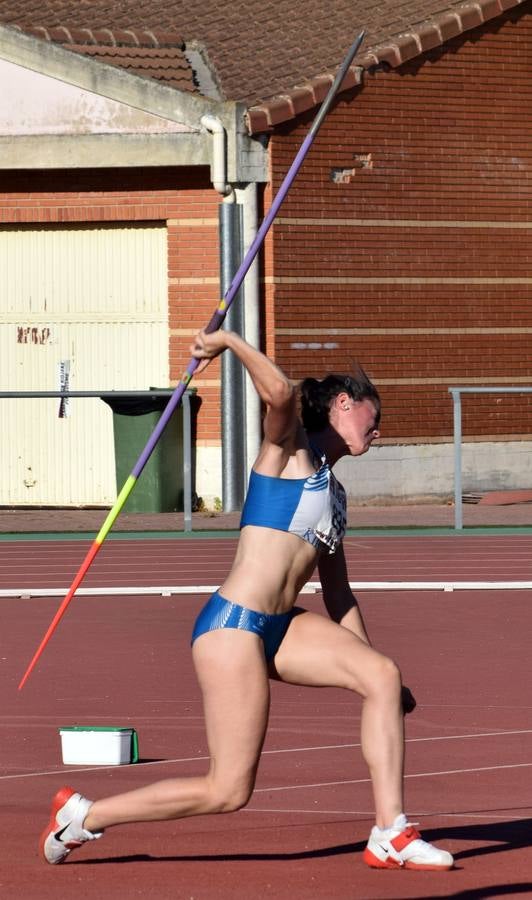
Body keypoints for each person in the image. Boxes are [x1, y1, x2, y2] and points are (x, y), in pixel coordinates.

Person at [40, 329, 454, 871]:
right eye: (372, 419)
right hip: (232, 627)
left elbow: (337, 592)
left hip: (281, 626)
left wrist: (374, 675)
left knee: (381, 674)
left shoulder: (335, 494)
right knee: (229, 789)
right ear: (343, 404)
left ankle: (389, 833)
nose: (378, 431)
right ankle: (85, 817)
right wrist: (229, 342)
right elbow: (280, 395)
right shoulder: (286, 454)